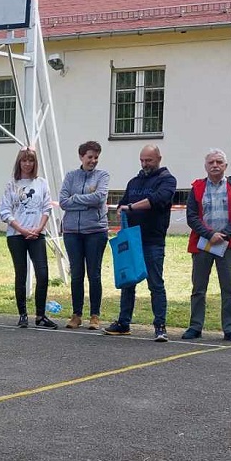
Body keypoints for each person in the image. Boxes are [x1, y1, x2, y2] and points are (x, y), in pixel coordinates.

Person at [104, 145, 176, 342]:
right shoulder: (134, 182)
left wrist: (131, 207)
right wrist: (122, 209)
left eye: (149, 160)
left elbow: (157, 200)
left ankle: (160, 326)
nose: (145, 164)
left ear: (159, 158)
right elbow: (123, 204)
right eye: (142, 160)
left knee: (155, 284)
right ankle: (123, 323)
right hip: (132, 240)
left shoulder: (167, 180)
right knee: (128, 282)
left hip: (153, 240)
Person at [184, 149, 231, 343]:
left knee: (228, 288)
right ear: (205, 166)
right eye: (211, 162)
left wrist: (225, 234)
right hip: (203, 243)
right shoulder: (197, 188)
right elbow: (192, 216)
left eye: (219, 162)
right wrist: (210, 234)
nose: (215, 165)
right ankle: (195, 326)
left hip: (227, 244)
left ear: (226, 166)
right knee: (198, 288)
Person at [0, 147, 56, 329]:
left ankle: (40, 315)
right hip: (16, 235)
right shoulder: (11, 185)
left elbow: (47, 207)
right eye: (24, 160)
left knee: (43, 274)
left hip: (37, 234)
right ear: (19, 162)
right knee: (21, 273)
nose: (27, 164)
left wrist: (39, 227)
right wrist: (21, 229)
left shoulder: (41, 183)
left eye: (30, 160)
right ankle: (22, 314)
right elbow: (5, 211)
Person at [59, 141, 111, 330]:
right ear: (81, 157)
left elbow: (99, 198)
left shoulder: (102, 175)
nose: (93, 161)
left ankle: (95, 315)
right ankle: (76, 314)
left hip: (95, 231)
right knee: (77, 274)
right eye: (90, 157)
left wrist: (75, 200)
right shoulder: (71, 176)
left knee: (94, 274)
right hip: (72, 231)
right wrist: (84, 202)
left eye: (96, 157)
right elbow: (63, 201)